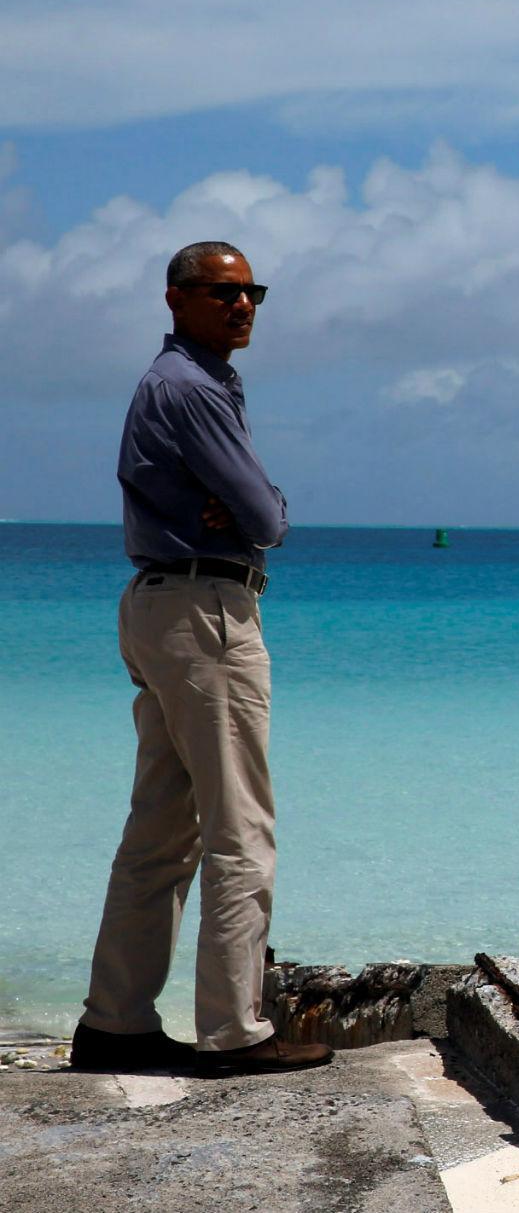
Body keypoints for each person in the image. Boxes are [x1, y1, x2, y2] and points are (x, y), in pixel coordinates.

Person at [71, 242, 331, 1074]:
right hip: (204, 611)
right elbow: (265, 515)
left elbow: (248, 506)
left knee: (160, 828)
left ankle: (115, 1021)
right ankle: (233, 1031)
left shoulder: (193, 382)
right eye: (223, 292)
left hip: (161, 605)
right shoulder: (188, 387)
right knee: (240, 829)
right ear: (176, 298)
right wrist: (260, 505)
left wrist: (249, 505)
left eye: (252, 291)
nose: (242, 304)